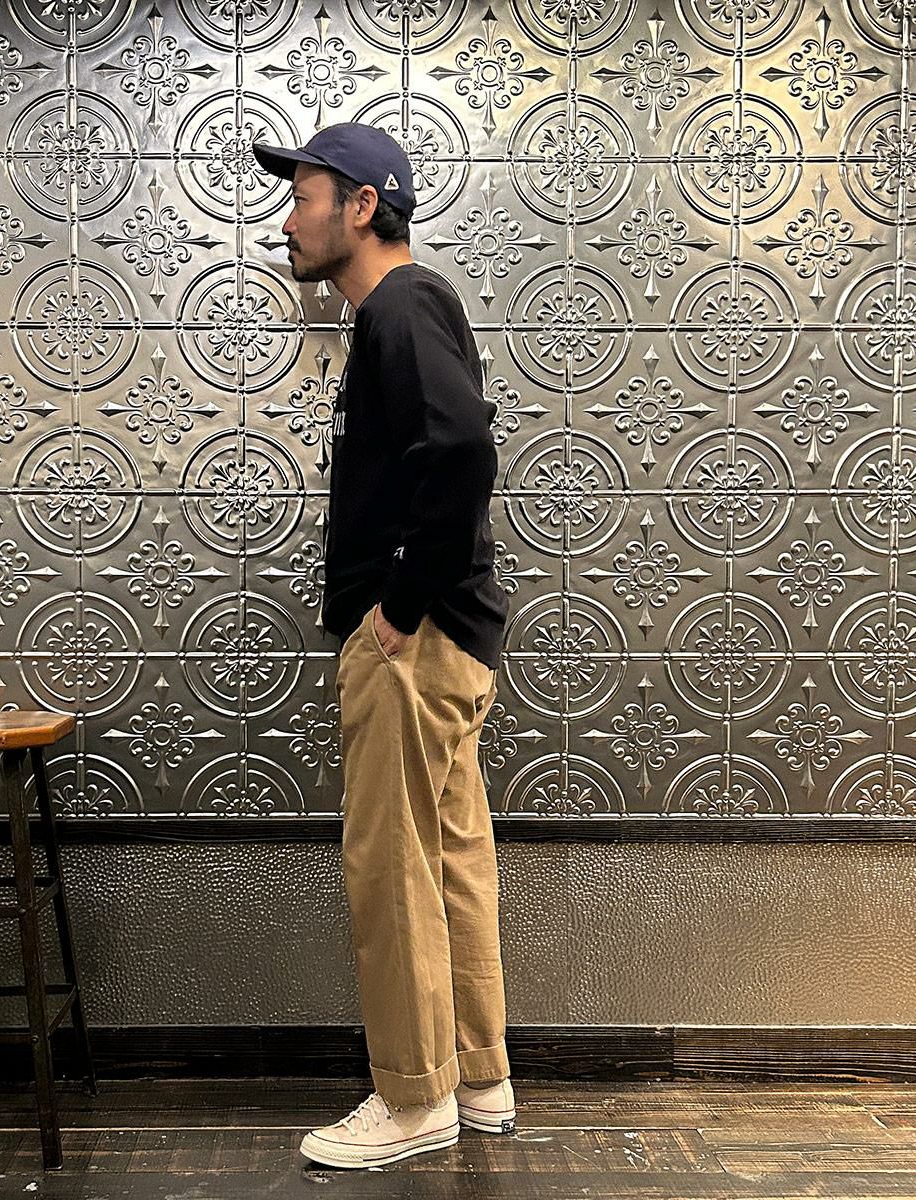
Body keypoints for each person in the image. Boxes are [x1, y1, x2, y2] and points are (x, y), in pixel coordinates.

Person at [252, 123, 513, 1170]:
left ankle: (413, 1101)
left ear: (362, 206)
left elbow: (462, 451)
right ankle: (478, 1078)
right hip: (452, 638)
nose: (288, 219)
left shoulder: (400, 306)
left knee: (392, 865)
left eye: (304, 197)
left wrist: (399, 607)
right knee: (449, 857)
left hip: (416, 644)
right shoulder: (412, 308)